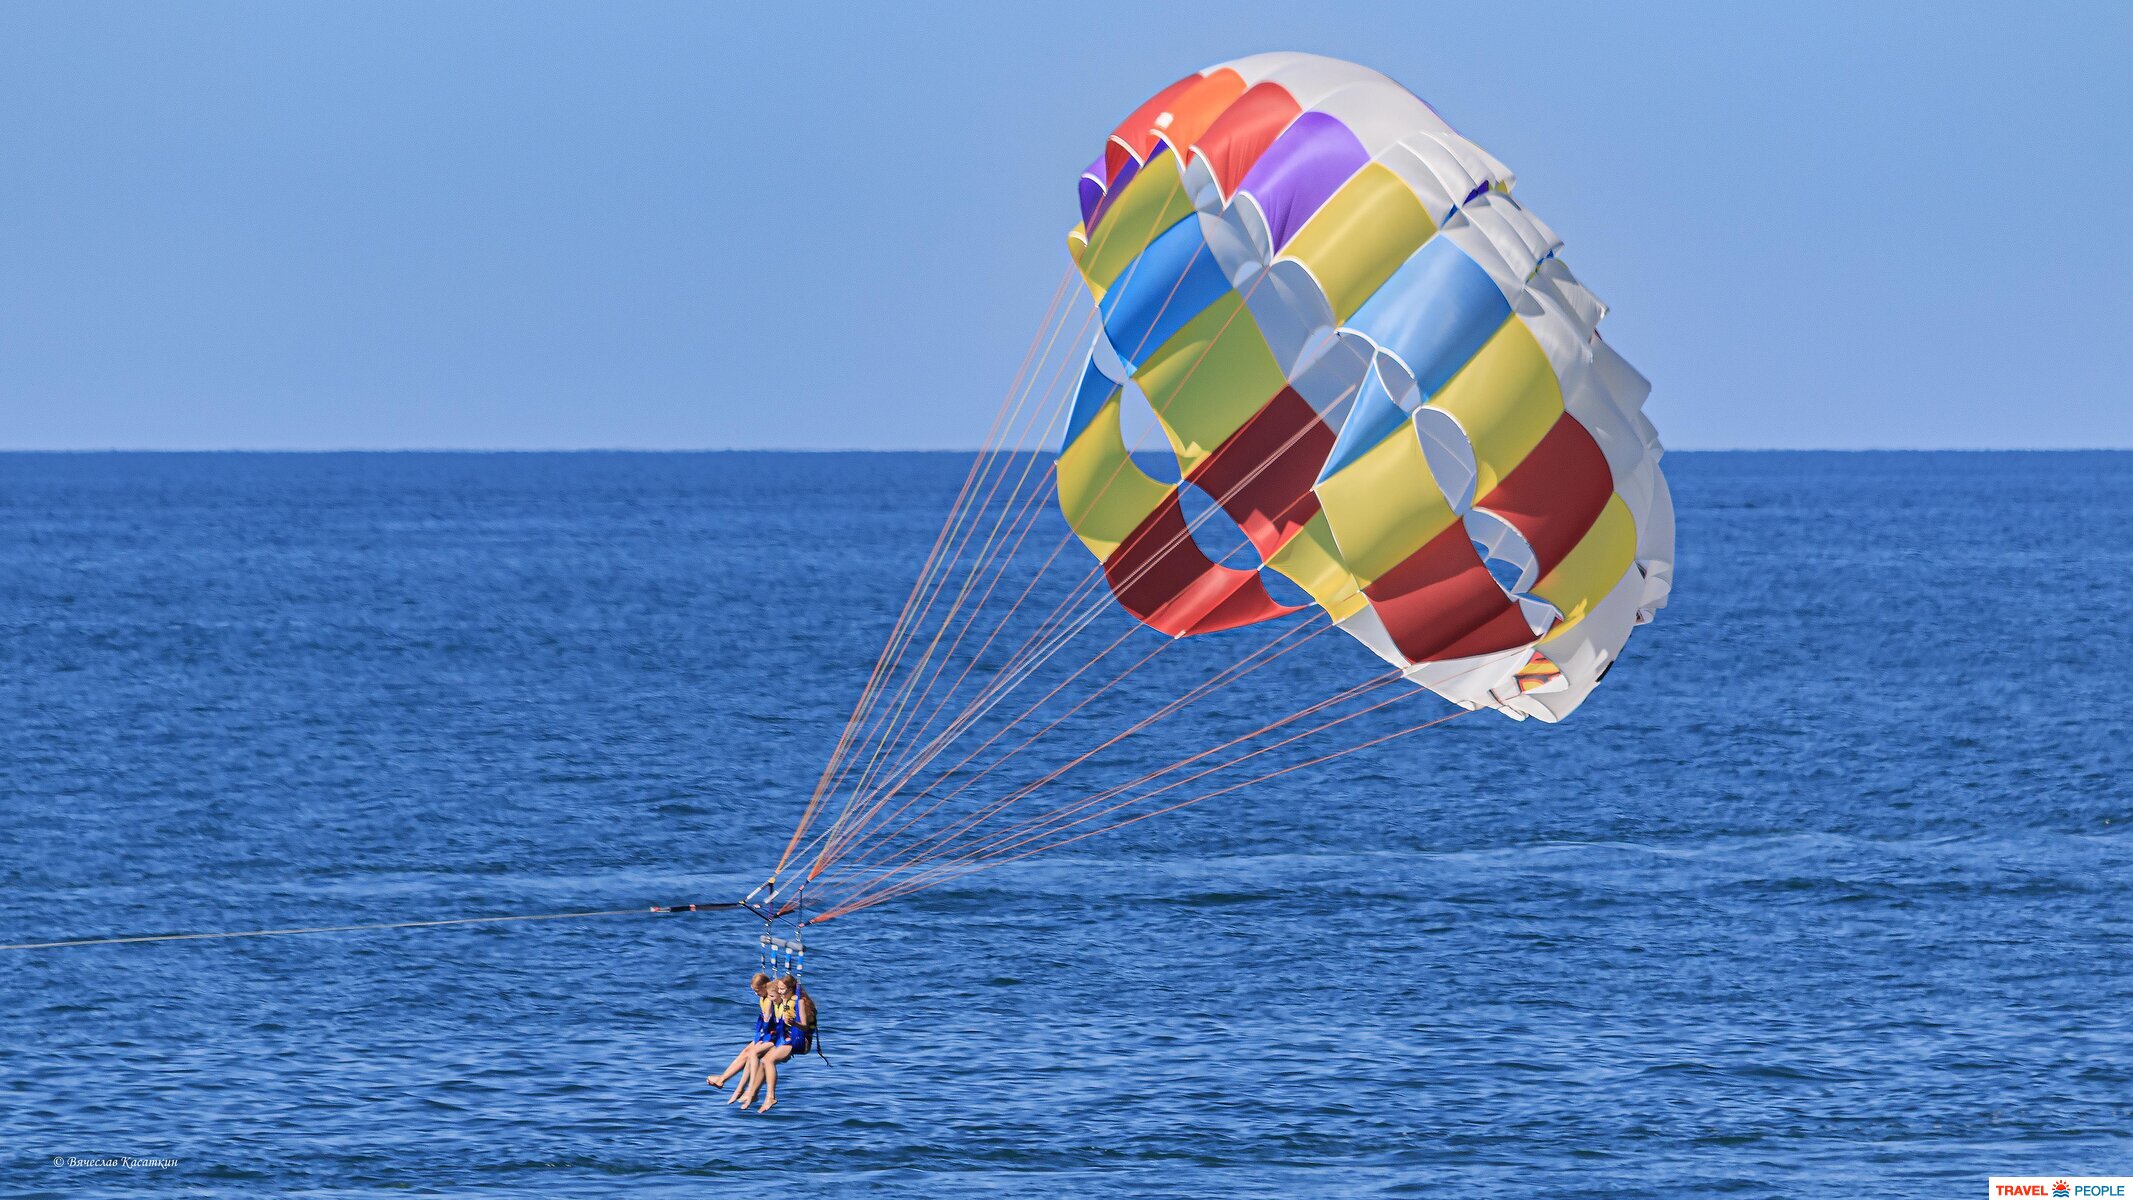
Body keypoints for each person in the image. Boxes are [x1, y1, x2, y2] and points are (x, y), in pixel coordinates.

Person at [732, 974, 814, 1114]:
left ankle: (770, 1097)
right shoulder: (784, 1001)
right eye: (779, 989)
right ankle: (753, 1093)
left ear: (790, 989)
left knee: (768, 1060)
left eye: (782, 989)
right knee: (763, 1059)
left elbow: (805, 1026)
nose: (780, 992)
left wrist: (793, 1023)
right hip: (786, 1038)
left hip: (800, 1041)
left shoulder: (798, 1002)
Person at [705, 972, 777, 1092]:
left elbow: (769, 1018)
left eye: (757, 990)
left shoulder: (771, 999)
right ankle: (722, 1078)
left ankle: (731, 1082)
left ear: (765, 986)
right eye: (754, 991)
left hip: (772, 1034)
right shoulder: (763, 997)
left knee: (749, 1053)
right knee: (745, 1051)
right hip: (765, 1032)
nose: (756, 993)